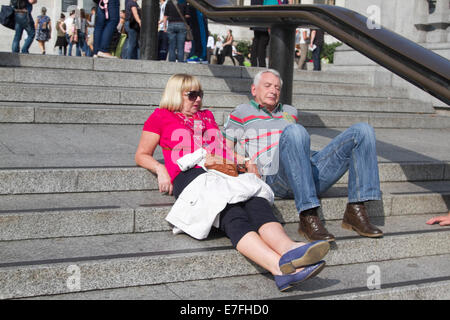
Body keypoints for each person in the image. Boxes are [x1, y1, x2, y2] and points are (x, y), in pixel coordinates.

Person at [135, 74, 330, 291]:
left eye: (200, 94)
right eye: (192, 95)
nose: (198, 99)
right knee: (230, 211)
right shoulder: (160, 116)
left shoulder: (207, 116)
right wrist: (160, 169)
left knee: (256, 201)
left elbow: (223, 148)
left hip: (222, 170)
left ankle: (289, 248)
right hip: (191, 175)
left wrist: (246, 161)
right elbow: (142, 154)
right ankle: (279, 268)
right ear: (175, 94)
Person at [223, 69, 384, 242]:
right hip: (275, 176)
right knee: (294, 131)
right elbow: (223, 149)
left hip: (307, 169)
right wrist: (246, 161)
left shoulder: (290, 111)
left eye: (277, 87)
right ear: (254, 89)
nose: (273, 90)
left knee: (363, 130)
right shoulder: (241, 112)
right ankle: (308, 215)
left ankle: (356, 209)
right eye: (268, 85)